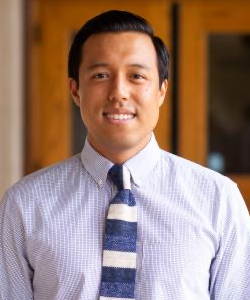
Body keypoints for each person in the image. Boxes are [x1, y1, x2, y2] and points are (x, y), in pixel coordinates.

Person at [0, 10, 250, 300]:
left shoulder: (218, 200)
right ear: (75, 90)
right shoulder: (24, 205)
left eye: (136, 76)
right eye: (101, 75)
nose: (118, 92)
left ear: (161, 91)